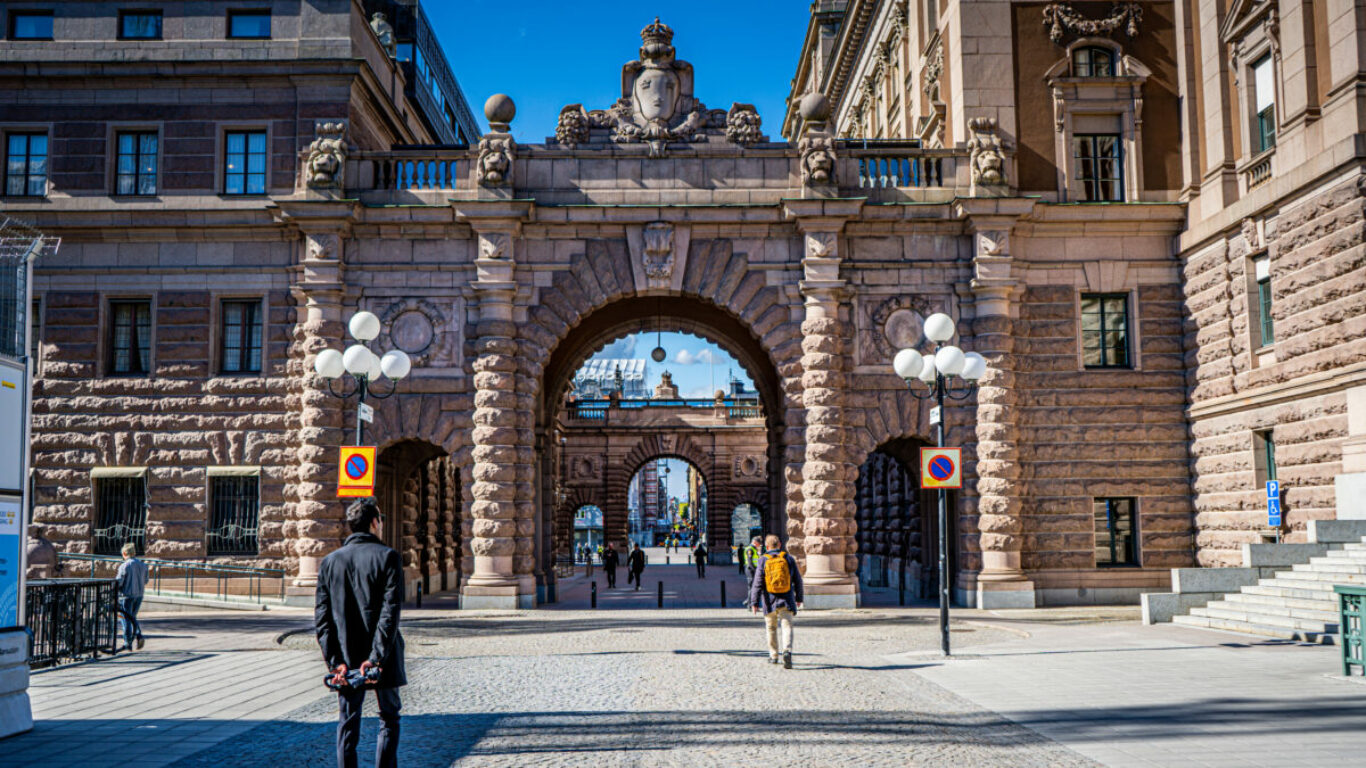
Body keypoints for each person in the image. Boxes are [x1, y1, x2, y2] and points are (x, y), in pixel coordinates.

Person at [316, 498, 406, 768]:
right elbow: (389, 614)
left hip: (345, 654)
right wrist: (376, 658)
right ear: (374, 523)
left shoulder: (329, 562)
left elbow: (322, 620)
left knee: (347, 721)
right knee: (389, 717)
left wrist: (335, 662)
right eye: (381, 519)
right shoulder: (388, 557)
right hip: (383, 656)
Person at [749, 534, 803, 669]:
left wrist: (754, 602)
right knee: (787, 626)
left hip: (769, 600)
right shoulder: (788, 558)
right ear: (779, 545)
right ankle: (787, 651)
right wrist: (799, 598)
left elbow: (757, 583)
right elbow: (798, 580)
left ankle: (773, 656)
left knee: (771, 628)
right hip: (787, 599)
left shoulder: (763, 560)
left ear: (767, 547)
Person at [115, 542, 148, 652]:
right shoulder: (143, 565)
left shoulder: (124, 566)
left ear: (124, 553)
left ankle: (127, 642)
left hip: (126, 596)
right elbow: (146, 580)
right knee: (132, 617)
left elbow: (119, 582)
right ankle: (138, 635)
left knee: (125, 620)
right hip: (139, 595)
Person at [742, 536, 762, 607]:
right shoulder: (750, 549)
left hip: (752, 570)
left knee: (753, 587)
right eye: (759, 543)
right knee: (751, 587)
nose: (759, 545)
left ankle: (748, 601)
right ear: (755, 542)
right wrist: (756, 570)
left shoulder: (754, 549)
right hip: (751, 570)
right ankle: (750, 604)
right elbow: (750, 562)